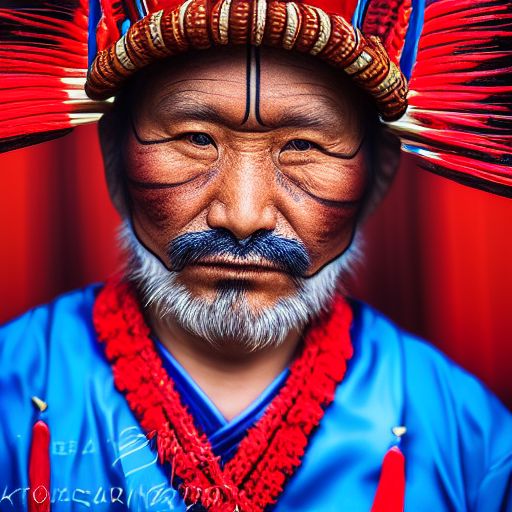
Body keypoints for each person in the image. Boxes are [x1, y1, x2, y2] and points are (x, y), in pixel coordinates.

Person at [0, 0, 511, 511]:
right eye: (195, 138)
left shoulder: (468, 442)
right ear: (112, 158)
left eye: (303, 145)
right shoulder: (12, 393)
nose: (243, 217)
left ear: (378, 175)